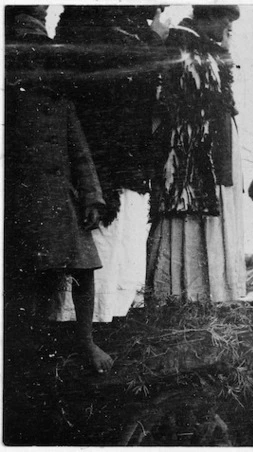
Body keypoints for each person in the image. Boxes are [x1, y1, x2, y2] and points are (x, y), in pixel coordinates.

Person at [4, 6, 112, 373]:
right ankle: (24, 350)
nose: (33, 63)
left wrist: (93, 197)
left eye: (39, 54)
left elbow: (81, 155)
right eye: (24, 54)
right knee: (28, 280)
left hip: (62, 202)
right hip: (21, 203)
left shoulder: (60, 103)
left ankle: (86, 344)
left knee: (85, 268)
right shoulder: (9, 103)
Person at [53, 5, 168, 322]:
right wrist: (154, 41)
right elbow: (125, 76)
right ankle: (81, 326)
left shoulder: (127, 25)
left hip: (126, 155)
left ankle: (110, 318)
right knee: (100, 240)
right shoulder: (89, 19)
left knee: (121, 244)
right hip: (102, 154)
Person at [146, 5, 246, 304]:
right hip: (191, 151)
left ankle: (210, 292)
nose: (228, 29)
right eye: (226, 22)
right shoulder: (181, 44)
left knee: (207, 213)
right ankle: (185, 293)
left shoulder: (206, 49)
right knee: (187, 216)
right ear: (209, 17)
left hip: (213, 144)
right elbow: (175, 100)